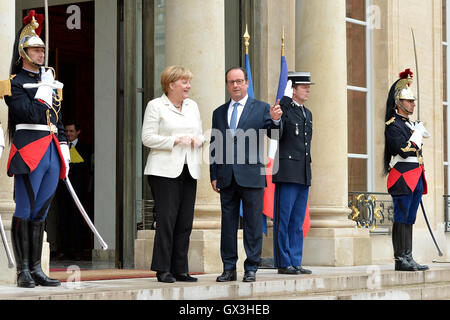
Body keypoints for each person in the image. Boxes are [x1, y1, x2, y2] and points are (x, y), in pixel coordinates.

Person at [0, 11, 70, 288]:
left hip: (51, 148)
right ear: (23, 52)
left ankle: (36, 269)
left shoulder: (49, 80)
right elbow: (26, 113)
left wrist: (63, 142)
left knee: (41, 211)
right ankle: (23, 272)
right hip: (29, 148)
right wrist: (42, 93)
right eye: (35, 49)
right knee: (26, 208)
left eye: (42, 49)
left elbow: (57, 116)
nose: (41, 54)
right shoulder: (14, 84)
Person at [210, 67, 282, 282]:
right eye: (231, 82)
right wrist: (214, 174)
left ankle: (251, 266)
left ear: (247, 83)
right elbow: (215, 145)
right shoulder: (219, 112)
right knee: (228, 225)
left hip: (251, 175)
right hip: (226, 176)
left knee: (252, 224)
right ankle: (228, 267)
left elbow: (275, 134)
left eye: (239, 81)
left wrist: (276, 120)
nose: (235, 85)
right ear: (227, 85)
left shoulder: (261, 108)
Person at [142, 65, 204, 283]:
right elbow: (147, 138)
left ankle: (180, 269)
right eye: (184, 82)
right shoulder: (156, 106)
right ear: (171, 85)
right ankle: (162, 269)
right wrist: (173, 141)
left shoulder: (192, 106)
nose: (188, 86)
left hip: (189, 169)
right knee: (167, 220)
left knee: (185, 222)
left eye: (188, 81)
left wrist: (200, 140)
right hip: (163, 171)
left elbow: (200, 134)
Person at [384, 69, 430, 272]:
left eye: (413, 101)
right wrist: (416, 135)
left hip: (416, 174)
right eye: (409, 101)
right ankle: (400, 258)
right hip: (402, 175)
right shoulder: (393, 125)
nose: (413, 104)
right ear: (399, 103)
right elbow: (402, 150)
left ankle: (408, 256)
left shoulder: (410, 124)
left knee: (410, 217)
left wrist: (416, 130)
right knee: (401, 216)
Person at [272, 72, 314, 275]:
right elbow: (276, 133)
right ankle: (283, 262)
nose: (308, 89)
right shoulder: (284, 110)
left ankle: (296, 260)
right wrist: (286, 100)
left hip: (303, 172)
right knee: (284, 218)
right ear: (293, 89)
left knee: (297, 220)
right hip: (287, 172)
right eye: (303, 86)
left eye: (308, 86)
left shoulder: (308, 113)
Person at [56, 122, 92, 260]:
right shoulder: (62, 145)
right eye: (66, 131)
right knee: (63, 220)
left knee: (77, 220)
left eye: (71, 131)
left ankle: (78, 250)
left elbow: (86, 166)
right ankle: (64, 249)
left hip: (78, 189)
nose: (68, 134)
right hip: (63, 189)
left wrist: (71, 165)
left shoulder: (85, 147)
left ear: (78, 132)